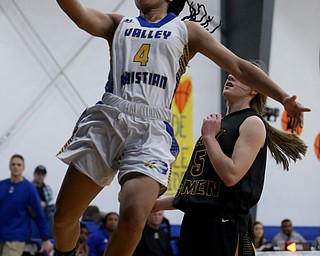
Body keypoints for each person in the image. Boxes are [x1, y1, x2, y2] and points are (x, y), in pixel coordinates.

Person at [53, 0, 310, 255]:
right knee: (63, 219)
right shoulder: (118, 23)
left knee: (133, 217)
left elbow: (240, 66)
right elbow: (80, 15)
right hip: (108, 118)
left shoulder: (186, 31)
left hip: (151, 130)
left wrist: (283, 97)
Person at [152, 61, 308, 255]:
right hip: (194, 222)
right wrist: (153, 204)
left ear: (254, 89)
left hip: (225, 226)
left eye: (240, 76)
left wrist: (209, 137)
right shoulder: (220, 124)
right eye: (231, 73)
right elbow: (200, 192)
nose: (231, 76)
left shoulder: (251, 123)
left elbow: (231, 175)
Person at [0, 154, 53, 256]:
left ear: (23, 168)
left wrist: (45, 238)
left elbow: (39, 213)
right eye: (13, 164)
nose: (16, 167)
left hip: (16, 237)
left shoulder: (29, 188)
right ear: (9, 166)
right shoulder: (2, 185)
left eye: (19, 165)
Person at [33, 165, 55, 238]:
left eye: (42, 174)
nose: (40, 176)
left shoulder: (47, 188)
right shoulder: (30, 187)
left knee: (55, 209)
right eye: (38, 174)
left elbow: (50, 199)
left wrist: (44, 203)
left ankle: (52, 238)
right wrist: (39, 203)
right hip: (34, 209)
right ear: (35, 174)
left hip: (46, 208)